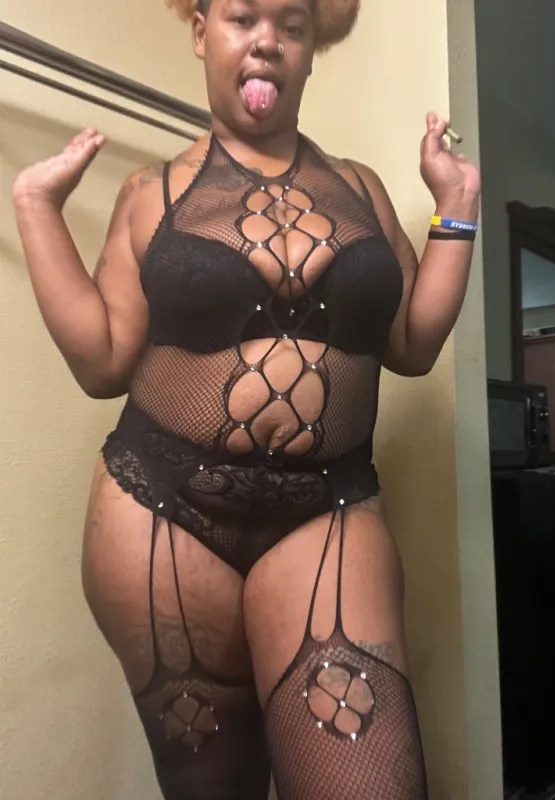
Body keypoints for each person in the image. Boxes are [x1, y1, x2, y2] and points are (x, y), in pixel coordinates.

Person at [12, 0, 481, 797]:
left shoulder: (361, 189)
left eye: (291, 26)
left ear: (310, 50)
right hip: (162, 511)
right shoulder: (150, 192)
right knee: (214, 786)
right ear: (202, 32)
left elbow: (412, 344)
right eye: (242, 18)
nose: (267, 42)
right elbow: (102, 363)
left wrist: (457, 209)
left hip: (328, 507)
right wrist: (35, 207)